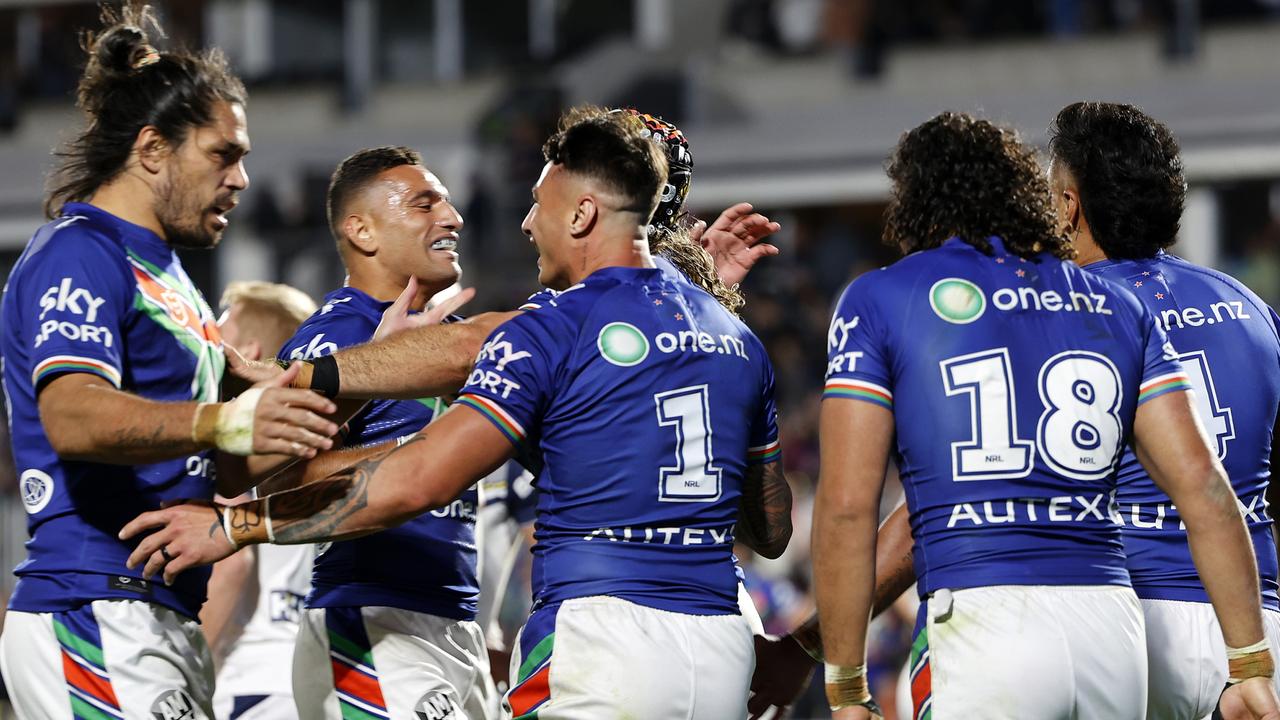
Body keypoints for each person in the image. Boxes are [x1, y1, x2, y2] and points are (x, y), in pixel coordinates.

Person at [122, 106, 793, 720]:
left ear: (582, 215)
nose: (521, 223)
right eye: (425, 203)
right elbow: (770, 528)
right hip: (705, 642)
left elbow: (435, 453)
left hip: (579, 637)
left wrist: (240, 519)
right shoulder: (733, 336)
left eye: (538, 207)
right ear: (361, 229)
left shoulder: (539, 330)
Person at [811, 111, 1279, 719]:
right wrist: (1250, 657)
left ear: (1067, 204)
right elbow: (1208, 483)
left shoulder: (980, 309)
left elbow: (871, 508)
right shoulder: (1243, 307)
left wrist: (830, 666)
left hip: (1055, 610)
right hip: (1198, 612)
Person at [0, 5, 337, 718]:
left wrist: (329, 397)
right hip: (93, 605)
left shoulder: (171, 278)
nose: (242, 178)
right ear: (153, 150)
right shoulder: (81, 253)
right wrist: (227, 419)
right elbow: (72, 414)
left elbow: (209, 464)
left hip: (157, 612)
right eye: (224, 154)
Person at [1048, 101, 1280, 719]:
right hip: (1259, 625)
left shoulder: (1065, 318)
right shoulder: (1251, 308)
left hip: (1133, 623)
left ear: (1070, 206)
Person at [280, 146, 497, 720]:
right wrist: (427, 458)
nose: (451, 218)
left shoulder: (451, 341)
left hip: (456, 626)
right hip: (372, 622)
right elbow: (276, 486)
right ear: (362, 231)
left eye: (448, 203)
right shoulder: (337, 339)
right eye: (424, 204)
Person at [204, 281, 320, 720]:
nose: (209, 336)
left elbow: (230, 563)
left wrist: (195, 665)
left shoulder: (239, 434)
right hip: (302, 669)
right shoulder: (307, 434)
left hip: (246, 680)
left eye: (221, 326)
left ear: (246, 348)